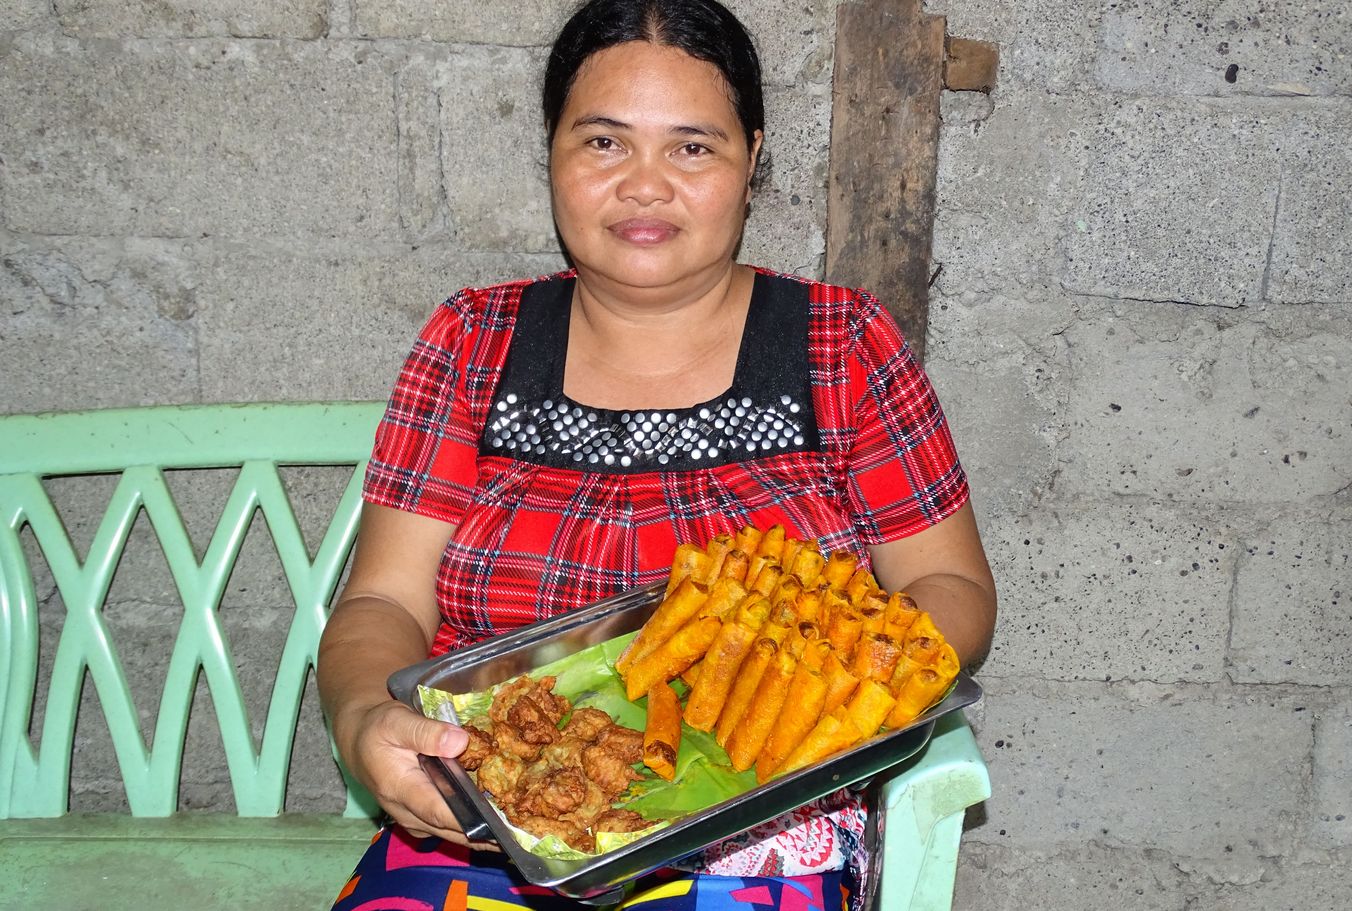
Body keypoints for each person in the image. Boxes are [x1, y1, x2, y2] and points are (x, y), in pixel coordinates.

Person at [318, 0, 997, 908]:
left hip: (766, 826)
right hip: (490, 819)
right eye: (603, 142)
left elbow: (950, 589)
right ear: (552, 153)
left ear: (752, 160)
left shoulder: (842, 347)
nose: (644, 185)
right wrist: (366, 719)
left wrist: (829, 690)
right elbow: (383, 597)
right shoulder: (472, 341)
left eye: (692, 147)